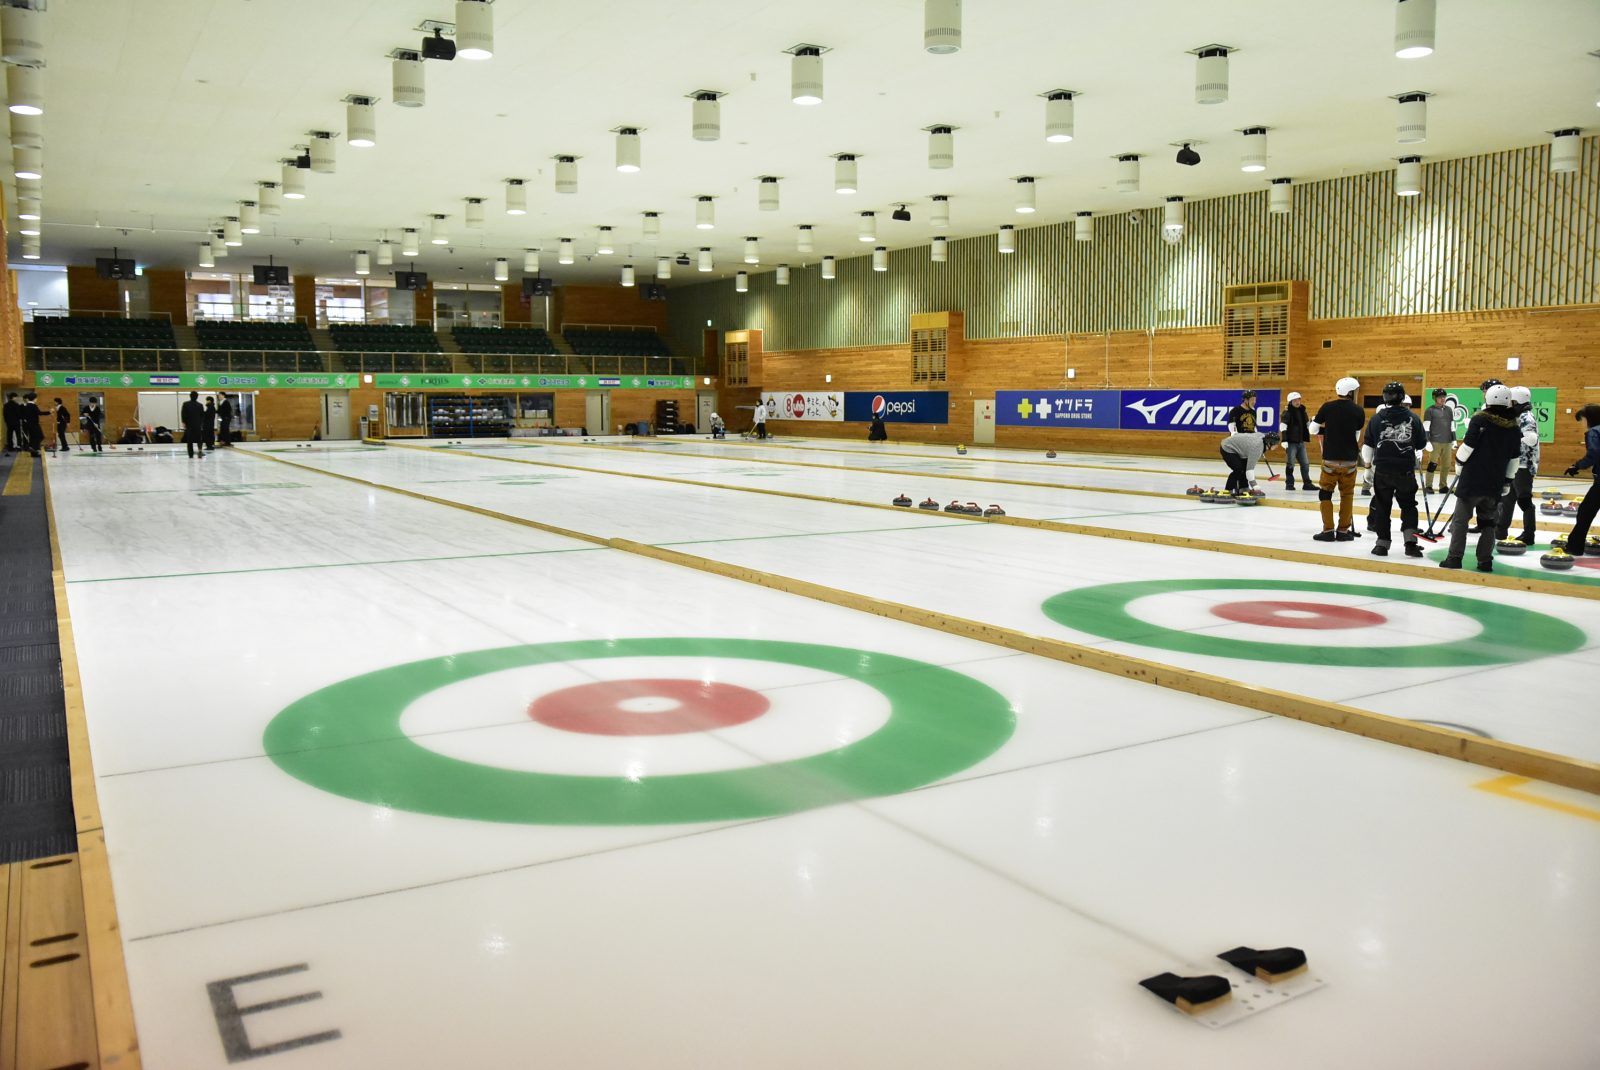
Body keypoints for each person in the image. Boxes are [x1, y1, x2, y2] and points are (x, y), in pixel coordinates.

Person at [1441, 384, 1522, 572]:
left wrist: (1459, 464)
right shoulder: (1513, 427)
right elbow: (1514, 459)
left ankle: (1454, 558)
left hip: (1472, 479)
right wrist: (1508, 481)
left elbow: (1468, 447)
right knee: (1488, 523)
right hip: (1495, 481)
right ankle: (1485, 561)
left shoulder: (1480, 420)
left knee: (1461, 521)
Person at [1360, 382, 1428, 557]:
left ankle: (1382, 544)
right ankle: (1410, 544)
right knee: (1409, 507)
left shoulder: (1376, 419)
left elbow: (1368, 446)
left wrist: (1367, 467)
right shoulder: (1414, 418)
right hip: (1405, 470)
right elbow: (1421, 444)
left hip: (1382, 471)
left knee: (1383, 507)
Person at [1309, 377, 1366, 541]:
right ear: (1350, 392)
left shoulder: (1327, 407)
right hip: (1350, 460)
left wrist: (1319, 423)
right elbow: (1356, 435)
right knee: (1347, 495)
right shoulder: (1358, 411)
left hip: (1330, 460)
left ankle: (1328, 531)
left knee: (1325, 494)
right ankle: (1342, 531)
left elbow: (1313, 430)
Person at [1494, 386, 1540, 544]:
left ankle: (1529, 534)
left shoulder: (1527, 417)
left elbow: (1531, 438)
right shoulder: (1519, 415)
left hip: (1523, 465)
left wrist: (1512, 438)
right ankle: (1500, 531)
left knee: (1524, 500)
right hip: (1514, 463)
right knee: (1506, 499)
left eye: (1512, 401)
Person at [1561, 404, 1600, 555]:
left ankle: (1575, 547)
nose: (1582, 424)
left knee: (1585, 512)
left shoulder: (1593, 432)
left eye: (1583, 420)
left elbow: (1594, 453)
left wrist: (1576, 466)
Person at [1422, 387, 1456, 494]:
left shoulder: (1449, 410)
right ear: (1434, 398)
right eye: (1440, 397)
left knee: (1446, 465)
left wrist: (1454, 440)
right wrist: (1427, 441)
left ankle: (1443, 486)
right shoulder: (1430, 410)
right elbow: (1426, 427)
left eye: (1444, 397)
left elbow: (1452, 426)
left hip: (1447, 442)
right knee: (1432, 464)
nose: (1442, 399)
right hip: (1434, 442)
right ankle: (1428, 486)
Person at [1278, 391, 1313, 490]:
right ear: (1290, 402)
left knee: (1305, 463)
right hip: (1291, 442)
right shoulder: (1287, 413)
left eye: (1298, 400)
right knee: (1290, 464)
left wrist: (1313, 427)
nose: (1297, 402)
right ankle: (1289, 484)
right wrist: (1284, 440)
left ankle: (1307, 483)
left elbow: (1307, 424)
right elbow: (1283, 426)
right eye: (1295, 400)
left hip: (1300, 442)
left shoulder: (1303, 411)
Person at [1219, 428, 1265, 496]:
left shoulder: (1262, 436)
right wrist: (1254, 485)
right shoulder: (1256, 448)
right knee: (1238, 469)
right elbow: (1250, 470)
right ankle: (1228, 490)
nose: (1276, 447)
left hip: (1238, 448)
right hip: (1227, 447)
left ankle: (1243, 488)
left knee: (1244, 468)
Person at [180, 390, 208, 458]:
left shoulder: (185, 404)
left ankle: (191, 454)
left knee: (189, 440)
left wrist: (184, 422)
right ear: (197, 397)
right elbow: (202, 416)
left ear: (190, 396)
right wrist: (200, 423)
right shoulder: (200, 405)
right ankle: (200, 451)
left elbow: (183, 414)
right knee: (199, 439)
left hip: (189, 425)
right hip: (197, 425)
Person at [19, 392, 43, 457]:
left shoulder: (27, 406)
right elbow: (39, 413)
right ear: (34, 398)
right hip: (33, 424)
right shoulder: (32, 405)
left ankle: (34, 452)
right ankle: (31, 447)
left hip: (30, 424)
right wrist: (49, 412)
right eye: (36, 398)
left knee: (33, 438)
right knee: (40, 436)